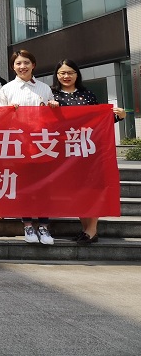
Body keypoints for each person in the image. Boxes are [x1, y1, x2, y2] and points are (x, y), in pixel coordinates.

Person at [51, 58, 126, 245]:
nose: (66, 76)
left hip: (88, 150)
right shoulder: (52, 95)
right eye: (62, 73)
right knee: (77, 190)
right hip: (66, 152)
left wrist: (119, 116)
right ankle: (85, 229)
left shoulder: (88, 95)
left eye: (70, 72)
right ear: (57, 75)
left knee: (90, 189)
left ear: (77, 74)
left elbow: (99, 121)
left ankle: (92, 230)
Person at [0, 49, 59, 245]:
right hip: (18, 144)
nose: (22, 66)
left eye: (26, 63)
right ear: (13, 67)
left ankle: (44, 226)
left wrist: (53, 107)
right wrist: (8, 112)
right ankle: (28, 224)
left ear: (33, 65)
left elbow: (52, 118)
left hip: (41, 144)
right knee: (23, 185)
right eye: (18, 63)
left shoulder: (44, 88)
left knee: (44, 186)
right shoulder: (6, 90)